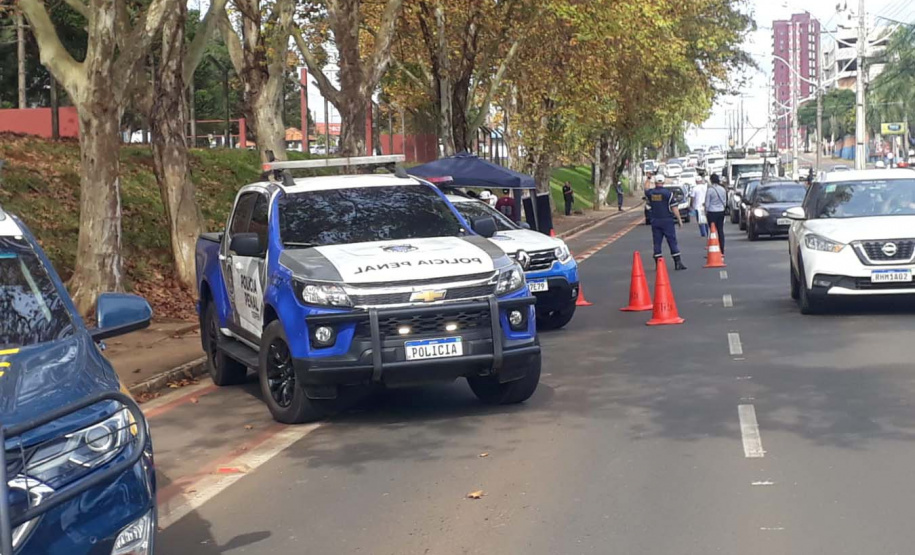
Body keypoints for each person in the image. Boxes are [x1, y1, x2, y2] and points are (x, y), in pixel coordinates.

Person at [647, 174, 686, 270]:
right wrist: (679, 219)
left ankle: (658, 264)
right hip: (667, 220)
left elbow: (646, 188)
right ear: (663, 182)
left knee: (657, 243)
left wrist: (648, 178)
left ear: (655, 182)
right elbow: (674, 208)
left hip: (655, 220)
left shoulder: (651, 193)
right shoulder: (668, 194)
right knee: (672, 241)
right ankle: (677, 263)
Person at [705, 173, 728, 256]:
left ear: (711, 180)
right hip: (721, 211)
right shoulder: (722, 189)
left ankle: (712, 249)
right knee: (720, 230)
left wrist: (706, 211)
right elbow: (725, 201)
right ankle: (722, 250)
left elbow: (707, 203)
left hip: (711, 212)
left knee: (712, 231)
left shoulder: (710, 190)